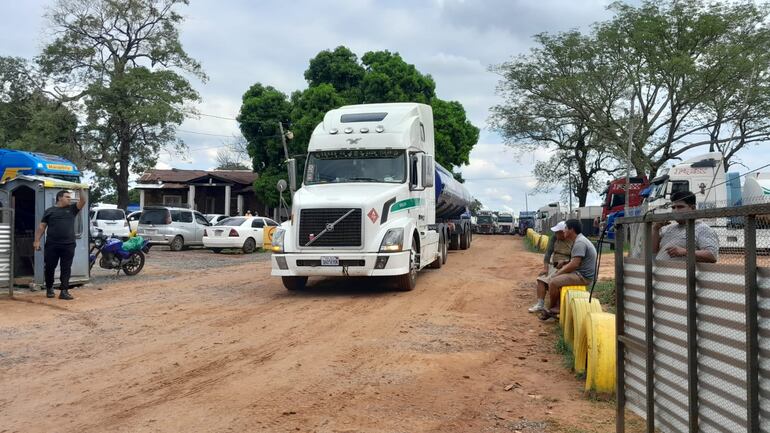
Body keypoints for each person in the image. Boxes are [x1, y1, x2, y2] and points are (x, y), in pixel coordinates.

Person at [33, 188, 87, 300]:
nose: (69, 199)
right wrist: (37, 240)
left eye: (70, 197)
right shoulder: (49, 211)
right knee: (49, 267)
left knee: (66, 268)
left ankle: (64, 291)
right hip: (52, 244)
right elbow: (42, 226)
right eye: (67, 197)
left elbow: (83, 201)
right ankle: (49, 288)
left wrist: (81, 189)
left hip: (68, 244)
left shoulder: (72, 209)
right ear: (59, 198)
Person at [542, 219, 598, 320]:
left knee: (553, 282)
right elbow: (577, 261)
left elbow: (575, 264)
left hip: (583, 276)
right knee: (557, 279)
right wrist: (564, 263)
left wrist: (559, 272)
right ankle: (556, 306)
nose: (564, 231)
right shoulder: (579, 240)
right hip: (580, 273)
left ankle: (554, 308)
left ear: (571, 230)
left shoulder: (579, 243)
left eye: (566, 228)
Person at [653, 190, 718, 263]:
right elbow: (653, 250)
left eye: (680, 207)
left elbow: (712, 256)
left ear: (693, 208)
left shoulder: (702, 229)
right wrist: (656, 229)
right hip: (661, 272)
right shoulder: (669, 228)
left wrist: (685, 252)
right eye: (673, 207)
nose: (675, 211)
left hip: (683, 273)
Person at [528, 221, 573, 313]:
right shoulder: (554, 238)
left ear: (564, 232)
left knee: (554, 280)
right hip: (555, 264)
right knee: (541, 279)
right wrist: (545, 268)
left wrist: (565, 262)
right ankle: (540, 304)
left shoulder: (573, 240)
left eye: (558, 232)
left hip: (568, 265)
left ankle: (554, 306)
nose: (555, 234)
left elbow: (577, 259)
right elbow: (548, 253)